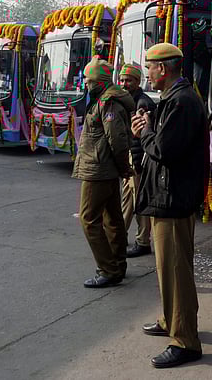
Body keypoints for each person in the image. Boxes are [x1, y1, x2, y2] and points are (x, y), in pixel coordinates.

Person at [132, 43, 208, 369]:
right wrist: (151, 125)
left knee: (176, 272)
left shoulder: (183, 101)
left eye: (149, 67)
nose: (146, 73)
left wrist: (145, 132)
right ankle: (171, 321)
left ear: (163, 69)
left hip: (174, 199)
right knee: (167, 269)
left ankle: (186, 341)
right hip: (168, 197)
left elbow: (164, 149)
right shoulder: (173, 99)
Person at [72, 56, 135, 289]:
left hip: (98, 170)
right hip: (104, 169)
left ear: (100, 82)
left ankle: (108, 269)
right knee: (113, 218)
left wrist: (123, 168)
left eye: (89, 80)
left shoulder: (108, 103)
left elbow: (117, 140)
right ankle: (117, 264)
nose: (86, 84)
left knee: (89, 220)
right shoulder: (104, 99)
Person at [119, 63, 156, 258]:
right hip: (130, 158)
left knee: (138, 200)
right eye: (123, 80)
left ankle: (142, 241)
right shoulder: (129, 101)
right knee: (127, 198)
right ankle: (120, 236)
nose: (125, 83)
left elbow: (143, 136)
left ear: (137, 81)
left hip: (138, 159)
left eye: (129, 80)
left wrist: (138, 160)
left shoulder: (142, 103)